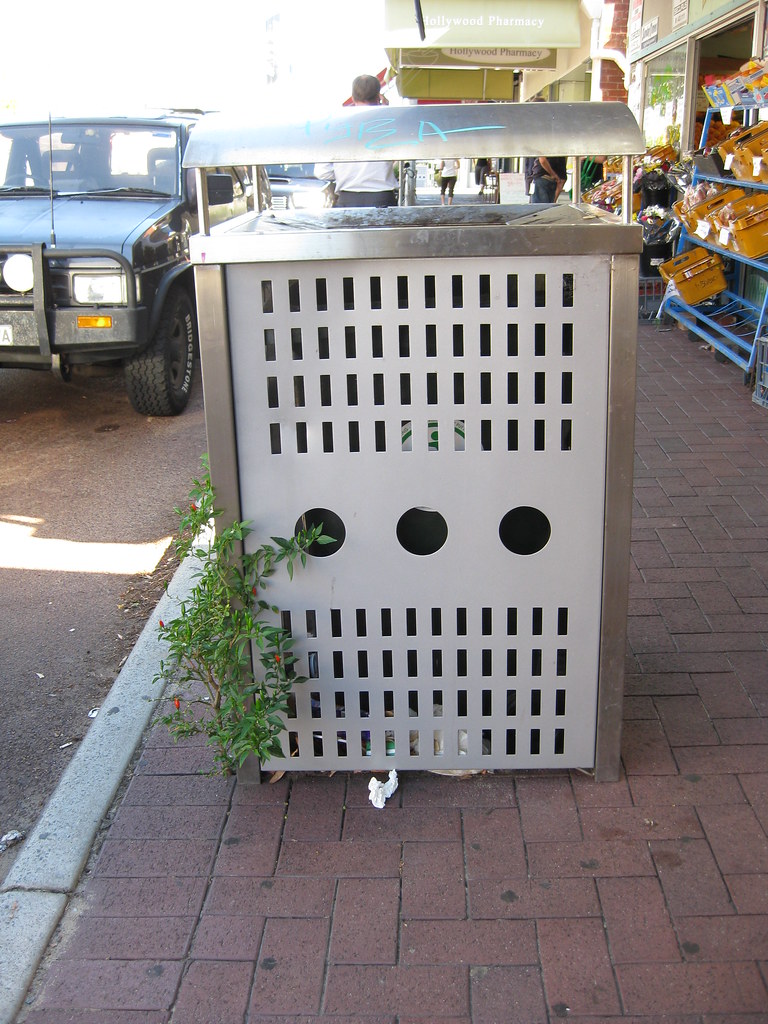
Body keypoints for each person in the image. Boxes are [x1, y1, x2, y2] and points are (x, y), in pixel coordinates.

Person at [314, 75, 398, 208]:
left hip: (348, 199)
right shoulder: (389, 124)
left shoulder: (337, 127)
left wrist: (344, 172)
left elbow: (321, 172)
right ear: (378, 97)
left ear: (353, 97)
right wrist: (386, 110)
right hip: (382, 198)